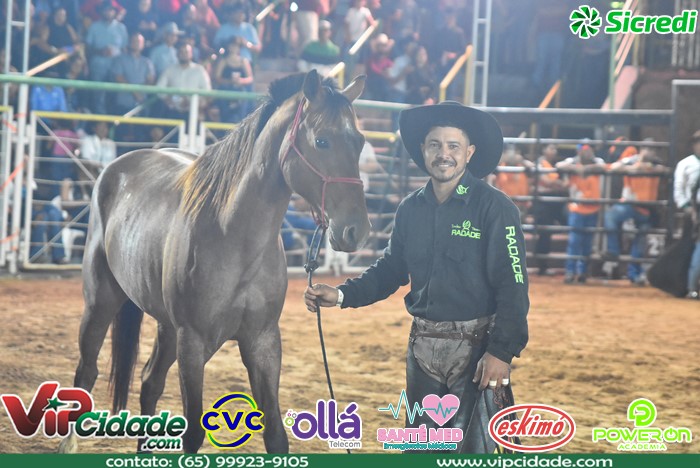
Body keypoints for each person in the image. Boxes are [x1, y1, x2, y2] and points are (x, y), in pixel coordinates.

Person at [304, 101, 529, 452]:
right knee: (420, 449)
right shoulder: (410, 208)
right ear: (423, 150)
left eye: (453, 146)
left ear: (469, 153)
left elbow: (513, 286)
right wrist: (342, 295)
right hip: (422, 348)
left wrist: (501, 352)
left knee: (472, 452)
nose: (444, 154)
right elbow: (392, 268)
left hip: (476, 351)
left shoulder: (495, 208)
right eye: (435, 144)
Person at [604, 142, 665, 285]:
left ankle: (634, 274)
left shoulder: (656, 163)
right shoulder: (631, 161)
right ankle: (613, 252)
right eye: (648, 148)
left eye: (653, 150)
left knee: (640, 241)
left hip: (647, 208)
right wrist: (633, 166)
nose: (651, 152)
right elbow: (613, 167)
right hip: (629, 204)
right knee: (610, 216)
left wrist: (643, 167)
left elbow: (663, 170)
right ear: (642, 150)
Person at [556, 142, 607, 284]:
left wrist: (584, 169)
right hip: (577, 208)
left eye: (589, 149)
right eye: (584, 149)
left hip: (593, 208)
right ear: (578, 151)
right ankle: (570, 272)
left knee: (587, 243)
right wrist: (576, 167)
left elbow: (603, 167)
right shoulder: (572, 161)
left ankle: (582, 272)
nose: (587, 151)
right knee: (574, 242)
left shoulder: (597, 161)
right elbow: (559, 165)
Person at [532, 144, 568, 276]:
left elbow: (565, 185)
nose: (554, 151)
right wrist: (558, 184)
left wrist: (557, 185)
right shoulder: (540, 163)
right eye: (551, 148)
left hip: (555, 201)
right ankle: (542, 266)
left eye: (555, 149)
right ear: (544, 150)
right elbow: (547, 181)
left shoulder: (555, 166)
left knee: (562, 226)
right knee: (544, 232)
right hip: (543, 202)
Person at [673, 130, 700, 299]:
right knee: (692, 248)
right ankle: (690, 286)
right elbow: (679, 188)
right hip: (694, 210)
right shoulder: (686, 164)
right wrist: (687, 208)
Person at [155, 42, 212, 121]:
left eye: (186, 52)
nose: (184, 54)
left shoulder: (199, 70)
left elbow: (207, 91)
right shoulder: (169, 70)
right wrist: (168, 99)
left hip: (193, 111)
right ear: (177, 54)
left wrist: (193, 103)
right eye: (181, 52)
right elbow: (159, 89)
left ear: (191, 54)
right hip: (173, 111)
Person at [213, 38, 254, 122]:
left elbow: (250, 78)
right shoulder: (223, 61)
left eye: (236, 46)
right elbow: (217, 78)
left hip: (240, 90)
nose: (234, 48)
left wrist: (241, 81)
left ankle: (242, 120)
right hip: (226, 90)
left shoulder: (244, 61)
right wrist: (229, 81)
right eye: (232, 45)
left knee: (245, 95)